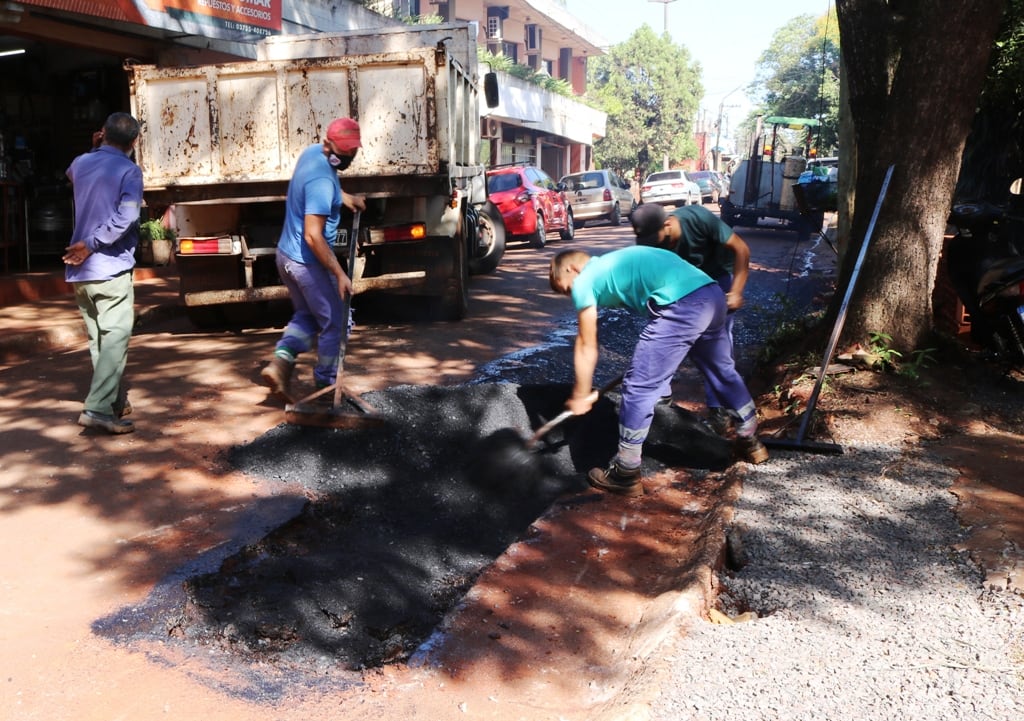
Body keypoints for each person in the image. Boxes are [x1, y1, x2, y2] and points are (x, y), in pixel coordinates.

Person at [549, 245, 768, 497]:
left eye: (565, 287)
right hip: (712, 295)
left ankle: (625, 472)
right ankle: (750, 440)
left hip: (683, 305)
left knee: (637, 387)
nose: (571, 295)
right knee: (722, 372)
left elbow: (586, 343)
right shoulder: (616, 263)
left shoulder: (585, 278)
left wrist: (581, 392)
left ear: (571, 269)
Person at [260, 117, 367, 402]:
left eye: (351, 152)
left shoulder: (313, 154)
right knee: (337, 321)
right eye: (346, 153)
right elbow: (313, 236)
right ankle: (326, 386)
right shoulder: (322, 179)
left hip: (286, 256)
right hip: (307, 262)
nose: (349, 158)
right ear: (330, 145)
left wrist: (345, 198)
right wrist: (340, 274)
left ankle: (281, 361)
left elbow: (324, 185)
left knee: (307, 315)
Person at [631, 202, 753, 435]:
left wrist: (736, 291)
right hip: (681, 286)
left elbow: (741, 249)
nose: (652, 246)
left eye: (653, 239)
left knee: (717, 348)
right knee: (663, 340)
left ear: (667, 224)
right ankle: (661, 403)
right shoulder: (654, 243)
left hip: (716, 279)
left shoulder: (698, 219)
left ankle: (719, 411)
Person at [62, 112, 144, 435]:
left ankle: (112, 401)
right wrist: (93, 243)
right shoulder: (130, 172)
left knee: (100, 341)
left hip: (81, 273)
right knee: (115, 339)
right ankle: (97, 408)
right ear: (134, 142)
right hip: (109, 267)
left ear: (102, 134)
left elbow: (73, 175)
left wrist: (94, 150)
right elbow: (126, 219)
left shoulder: (81, 163)